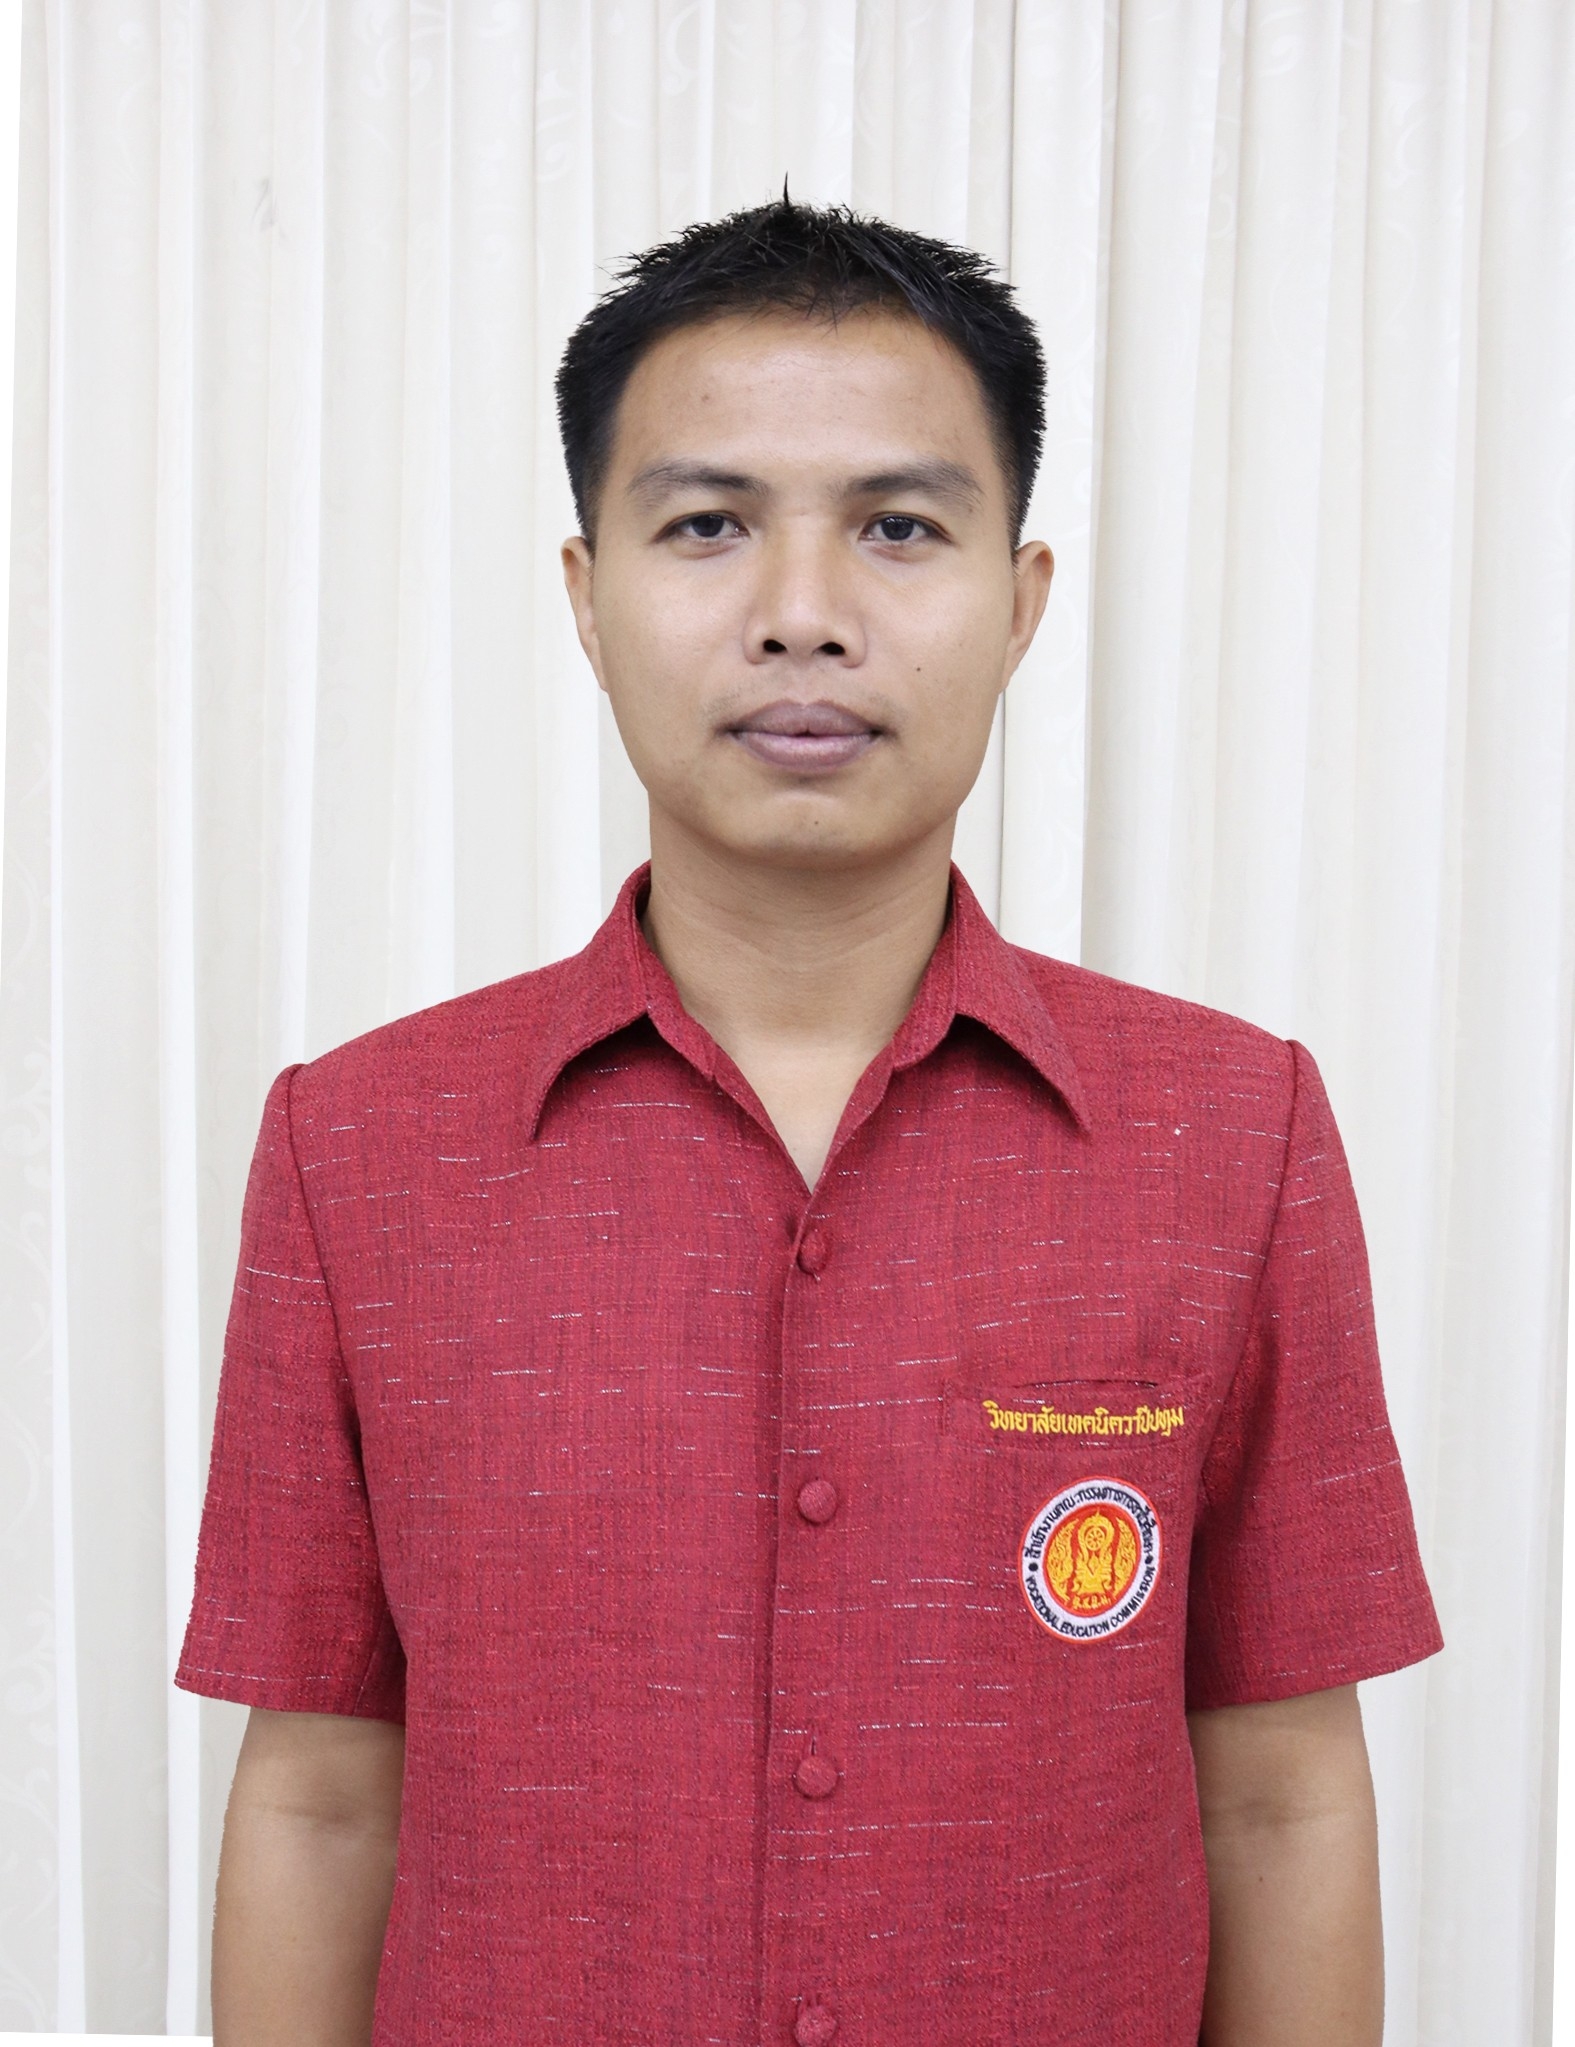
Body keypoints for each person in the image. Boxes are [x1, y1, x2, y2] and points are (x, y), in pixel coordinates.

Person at [177, 198, 1442, 2047]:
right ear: (586, 596)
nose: (801, 614)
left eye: (898, 528)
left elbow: (1281, 1795)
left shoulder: (1231, 1134)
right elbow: (316, 1799)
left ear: (1021, 605)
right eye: (707, 524)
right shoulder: (359, 1148)